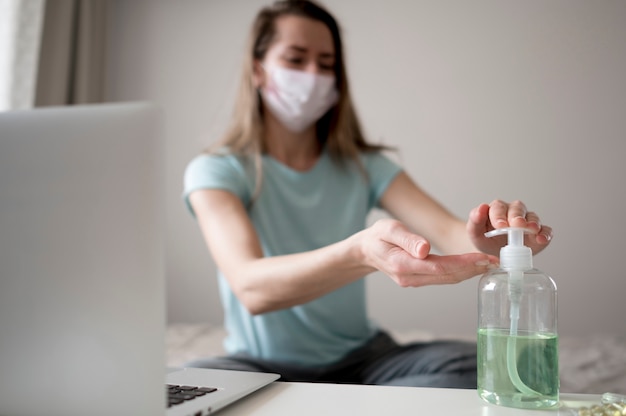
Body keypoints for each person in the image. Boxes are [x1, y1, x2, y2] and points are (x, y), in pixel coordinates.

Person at [183, 0, 553, 388]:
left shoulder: (363, 166)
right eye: (296, 60)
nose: (313, 75)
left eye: (326, 64)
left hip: (364, 363)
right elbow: (251, 287)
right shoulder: (216, 171)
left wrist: (495, 238)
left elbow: (449, 232)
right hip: (257, 365)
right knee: (188, 386)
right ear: (257, 71)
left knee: (502, 367)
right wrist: (361, 253)